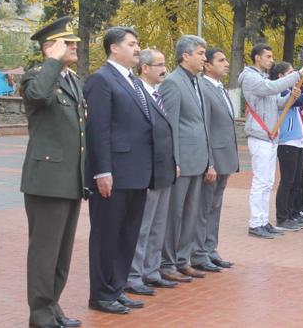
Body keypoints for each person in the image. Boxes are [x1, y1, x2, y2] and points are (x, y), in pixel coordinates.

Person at [20, 17, 85, 328]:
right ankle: (40, 314)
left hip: (70, 179)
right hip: (46, 180)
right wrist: (52, 62)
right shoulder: (37, 76)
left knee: (61, 252)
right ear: (49, 47)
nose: (74, 46)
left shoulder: (72, 79)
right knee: (44, 253)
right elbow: (38, 96)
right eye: (66, 42)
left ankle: (52, 307)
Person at [84, 26, 154, 314]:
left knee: (127, 234)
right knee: (107, 234)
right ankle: (101, 294)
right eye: (132, 44)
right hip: (113, 173)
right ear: (114, 48)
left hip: (136, 171)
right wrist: (102, 171)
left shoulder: (133, 82)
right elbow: (97, 129)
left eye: (137, 44)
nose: (137, 49)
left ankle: (116, 287)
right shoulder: (101, 80)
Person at [238, 43, 303, 239]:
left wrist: (290, 98)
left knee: (268, 181)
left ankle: (263, 221)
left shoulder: (263, 79)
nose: (271, 60)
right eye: (267, 56)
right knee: (260, 181)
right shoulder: (251, 78)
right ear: (257, 58)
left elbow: (277, 101)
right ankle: (255, 223)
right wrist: (297, 76)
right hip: (260, 135)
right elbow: (270, 89)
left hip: (270, 136)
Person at [159, 35, 213, 280]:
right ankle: (167, 263)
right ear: (185, 56)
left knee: (191, 213)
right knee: (175, 214)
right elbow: (170, 126)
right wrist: (175, 160)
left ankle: (183, 259)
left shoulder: (198, 82)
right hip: (182, 161)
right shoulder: (172, 82)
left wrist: (209, 160)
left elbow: (203, 124)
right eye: (200, 53)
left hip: (199, 159)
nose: (204, 58)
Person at [126, 49, 178, 296]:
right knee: (143, 225)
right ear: (144, 68)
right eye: (159, 64)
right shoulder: (137, 93)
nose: (164, 69)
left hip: (163, 168)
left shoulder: (158, 94)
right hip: (146, 169)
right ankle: (134, 275)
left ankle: (151, 270)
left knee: (158, 224)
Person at [197, 48, 239, 268]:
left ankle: (211, 248)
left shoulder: (220, 88)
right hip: (213, 158)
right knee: (204, 207)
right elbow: (205, 127)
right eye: (220, 60)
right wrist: (209, 162)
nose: (226, 64)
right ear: (207, 65)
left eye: (225, 59)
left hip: (225, 157)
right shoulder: (203, 88)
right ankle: (200, 251)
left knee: (215, 206)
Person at [271, 62, 303, 231]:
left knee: (296, 181)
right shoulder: (281, 92)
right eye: (291, 72)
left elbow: (302, 100)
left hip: (299, 141)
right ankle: (282, 217)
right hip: (287, 141)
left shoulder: (292, 91)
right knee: (287, 181)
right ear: (280, 76)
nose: (295, 75)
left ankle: (293, 213)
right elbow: (298, 100)